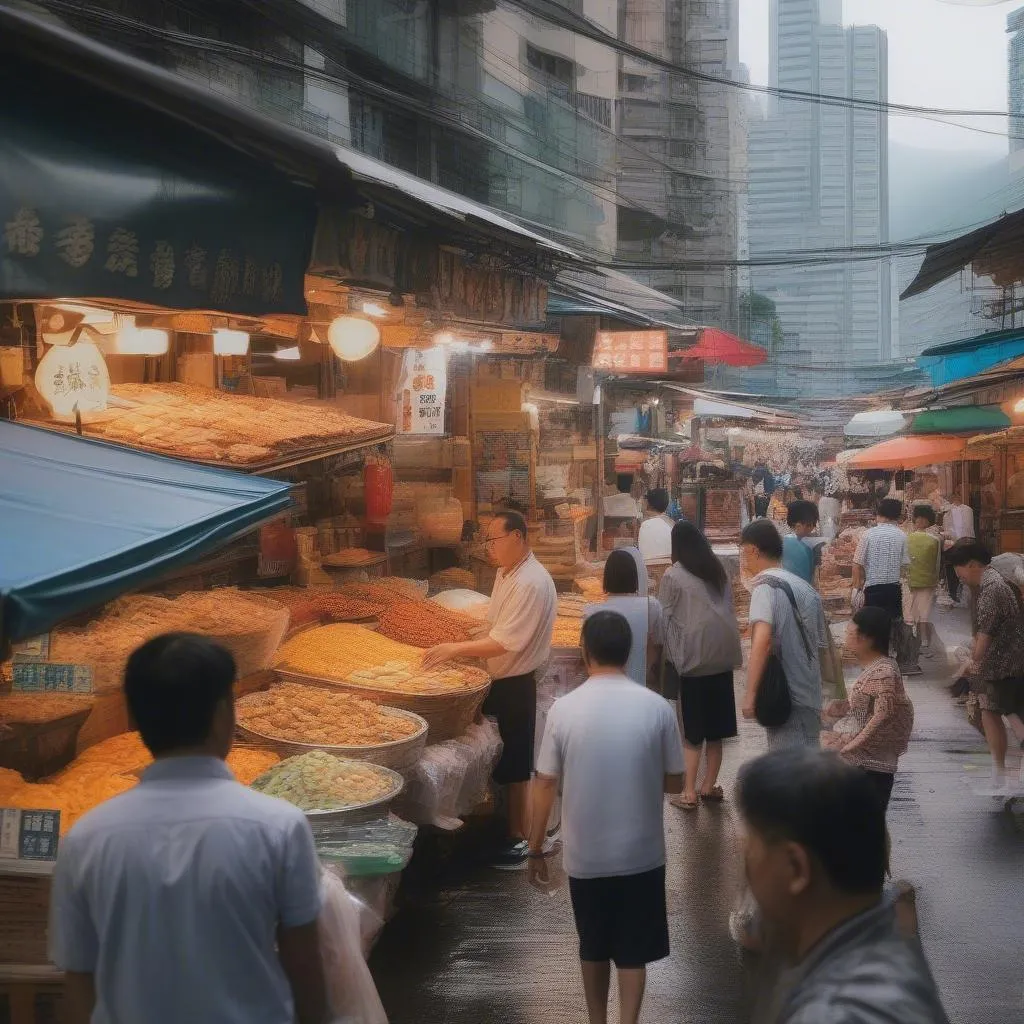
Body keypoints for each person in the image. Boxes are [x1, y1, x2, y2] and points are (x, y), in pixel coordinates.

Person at [49, 634, 329, 1024]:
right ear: (222, 715)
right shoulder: (278, 826)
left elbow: (78, 977)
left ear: (136, 718)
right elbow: (305, 965)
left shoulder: (85, 838)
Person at [528, 611, 684, 1024]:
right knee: (633, 948)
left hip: (586, 856)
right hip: (642, 853)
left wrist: (535, 848)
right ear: (628, 651)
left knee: (593, 944)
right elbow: (674, 783)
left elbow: (544, 783)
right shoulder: (657, 708)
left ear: (584, 651)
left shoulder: (563, 710)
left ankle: (597, 1019)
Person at [737, 748, 950, 1024]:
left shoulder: (833, 1014)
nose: (744, 869)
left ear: (796, 867)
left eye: (750, 847)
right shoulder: (888, 931)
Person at [423, 509, 557, 867]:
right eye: (487, 540)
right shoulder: (505, 573)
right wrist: (471, 635)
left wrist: (456, 649)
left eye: (494, 540)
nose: (489, 548)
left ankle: (519, 838)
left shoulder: (531, 581)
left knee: (515, 764)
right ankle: (503, 828)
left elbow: (506, 641)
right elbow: (496, 625)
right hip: (497, 678)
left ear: (517, 537)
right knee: (501, 759)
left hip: (515, 682)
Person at [658, 520, 742, 809]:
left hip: (692, 661)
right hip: (722, 658)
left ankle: (689, 793)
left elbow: (662, 617)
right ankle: (709, 786)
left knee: (692, 730)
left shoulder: (673, 575)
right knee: (716, 729)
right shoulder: (717, 571)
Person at [946, 540, 1024, 795]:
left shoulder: (991, 589)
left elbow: (985, 635)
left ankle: (1004, 774)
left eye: (959, 570)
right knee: (993, 713)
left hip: (1002, 665)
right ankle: (998, 773)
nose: (959, 576)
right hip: (1001, 663)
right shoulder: (991, 584)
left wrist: (970, 663)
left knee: (1009, 715)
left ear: (972, 565)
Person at [740, 519, 826, 748]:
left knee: (789, 774)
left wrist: (750, 694)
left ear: (753, 550)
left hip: (786, 696)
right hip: (810, 693)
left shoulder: (765, 588)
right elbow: (822, 645)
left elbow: (762, 642)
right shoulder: (802, 586)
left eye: (744, 553)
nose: (744, 560)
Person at [822, 608, 914, 815]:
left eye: (849, 632)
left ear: (864, 638)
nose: (845, 636)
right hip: (863, 765)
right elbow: (868, 710)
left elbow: (883, 715)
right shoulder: (878, 668)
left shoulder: (883, 672)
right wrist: (841, 707)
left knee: (865, 831)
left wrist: (848, 747)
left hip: (871, 768)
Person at [583, 548, 663, 688]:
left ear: (606, 578)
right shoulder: (651, 607)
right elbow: (656, 647)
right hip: (640, 685)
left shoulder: (592, 612)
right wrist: (646, 671)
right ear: (634, 576)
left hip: (602, 688)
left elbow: (586, 654)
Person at [852, 499, 910, 621]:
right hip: (893, 590)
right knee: (892, 627)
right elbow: (904, 565)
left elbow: (857, 564)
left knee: (873, 628)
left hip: (872, 590)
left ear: (879, 514)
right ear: (897, 516)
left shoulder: (867, 534)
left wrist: (856, 589)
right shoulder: (903, 535)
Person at [906, 505, 941, 654]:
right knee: (925, 611)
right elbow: (937, 564)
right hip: (928, 581)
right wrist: (936, 580)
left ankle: (911, 638)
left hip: (911, 580)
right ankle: (924, 639)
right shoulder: (935, 540)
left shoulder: (906, 538)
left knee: (911, 610)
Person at [782, 500, 819, 585]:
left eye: (813, 525)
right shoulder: (797, 546)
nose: (812, 529)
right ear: (798, 525)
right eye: (809, 525)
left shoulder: (787, 540)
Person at [637, 487, 674, 563]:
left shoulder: (647, 525)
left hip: (651, 569)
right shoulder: (671, 523)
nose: (642, 502)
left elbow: (644, 557)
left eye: (644, 500)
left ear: (649, 504)